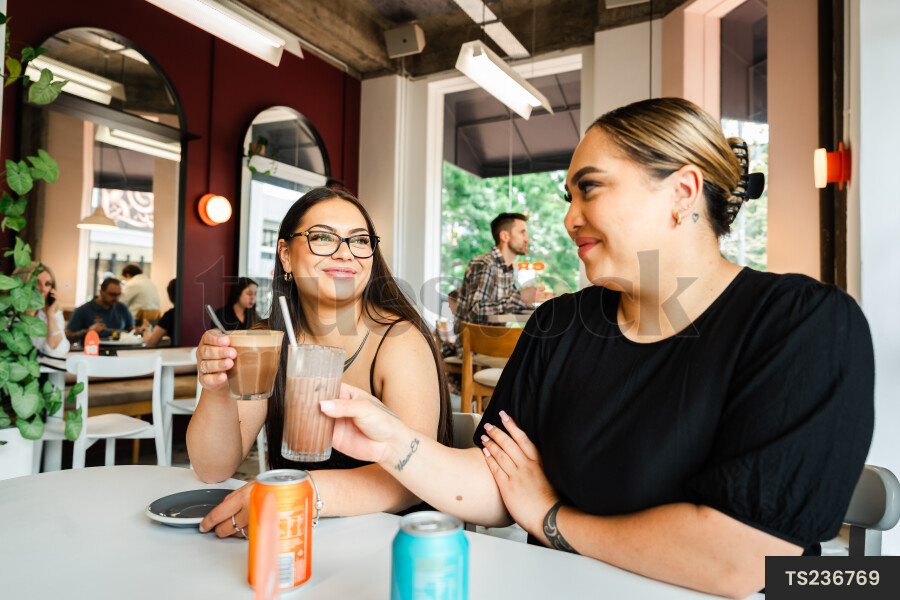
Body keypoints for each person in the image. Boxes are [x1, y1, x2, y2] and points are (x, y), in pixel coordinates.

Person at [316, 98, 874, 598]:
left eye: (590, 188)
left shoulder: (804, 324)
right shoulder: (561, 323)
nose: (568, 218)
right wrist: (394, 442)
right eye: (569, 196)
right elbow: (497, 481)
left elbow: (742, 560)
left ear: (682, 192)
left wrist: (552, 517)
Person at [187, 187, 453, 538]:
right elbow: (212, 469)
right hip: (300, 534)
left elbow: (415, 476)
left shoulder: (400, 341)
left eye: (359, 240)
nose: (345, 253)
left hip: (394, 541)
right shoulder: (266, 340)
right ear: (286, 256)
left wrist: (300, 494)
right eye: (323, 237)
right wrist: (216, 387)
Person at [453, 212, 546, 331]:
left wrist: (540, 305)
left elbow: (509, 305)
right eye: (522, 233)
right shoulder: (485, 264)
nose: (527, 239)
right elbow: (475, 310)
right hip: (476, 341)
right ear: (505, 236)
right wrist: (520, 297)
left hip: (494, 338)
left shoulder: (507, 269)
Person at [13, 263, 69, 358]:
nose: (43, 289)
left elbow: (57, 352)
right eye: (36, 283)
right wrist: (29, 315)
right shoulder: (9, 314)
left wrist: (50, 315)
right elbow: (20, 351)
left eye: (47, 284)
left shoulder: (54, 313)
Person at [65, 278, 134, 342]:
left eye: (118, 295)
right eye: (112, 294)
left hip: (120, 349)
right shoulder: (82, 310)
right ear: (101, 292)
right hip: (92, 348)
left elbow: (131, 329)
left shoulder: (122, 308)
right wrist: (88, 331)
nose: (116, 298)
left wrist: (136, 331)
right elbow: (67, 337)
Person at [143, 278, 177, 347]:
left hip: (179, 353)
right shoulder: (199, 312)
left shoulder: (171, 315)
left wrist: (145, 329)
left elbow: (150, 343)